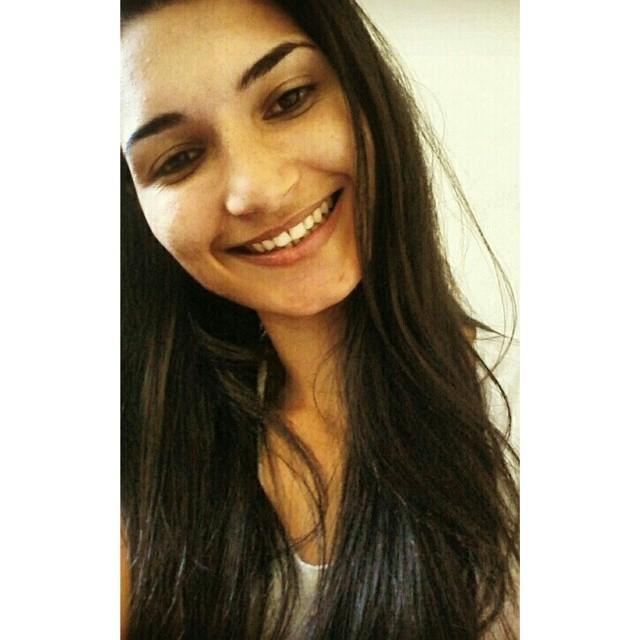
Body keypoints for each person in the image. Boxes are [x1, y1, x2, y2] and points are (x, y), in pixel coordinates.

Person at [120, 0, 519, 638]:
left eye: (289, 100)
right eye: (179, 158)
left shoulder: (518, 408)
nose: (257, 189)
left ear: (362, 89)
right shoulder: (142, 446)